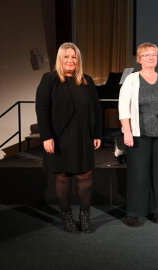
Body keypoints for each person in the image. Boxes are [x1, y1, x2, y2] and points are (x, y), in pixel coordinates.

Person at [35, 42, 102, 233]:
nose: (71, 60)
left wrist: (97, 133)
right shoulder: (50, 79)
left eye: (74, 57)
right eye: (67, 57)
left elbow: (96, 109)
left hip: (83, 135)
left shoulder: (87, 80)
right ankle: (66, 217)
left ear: (78, 60)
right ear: (60, 59)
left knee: (85, 174)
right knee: (63, 176)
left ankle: (84, 216)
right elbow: (42, 109)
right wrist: (46, 136)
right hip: (59, 136)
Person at [118, 42, 158, 227]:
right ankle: (133, 212)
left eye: (153, 55)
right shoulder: (132, 79)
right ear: (139, 59)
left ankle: (155, 210)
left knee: (156, 174)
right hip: (139, 134)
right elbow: (123, 108)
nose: (151, 57)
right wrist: (127, 132)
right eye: (146, 55)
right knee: (138, 174)